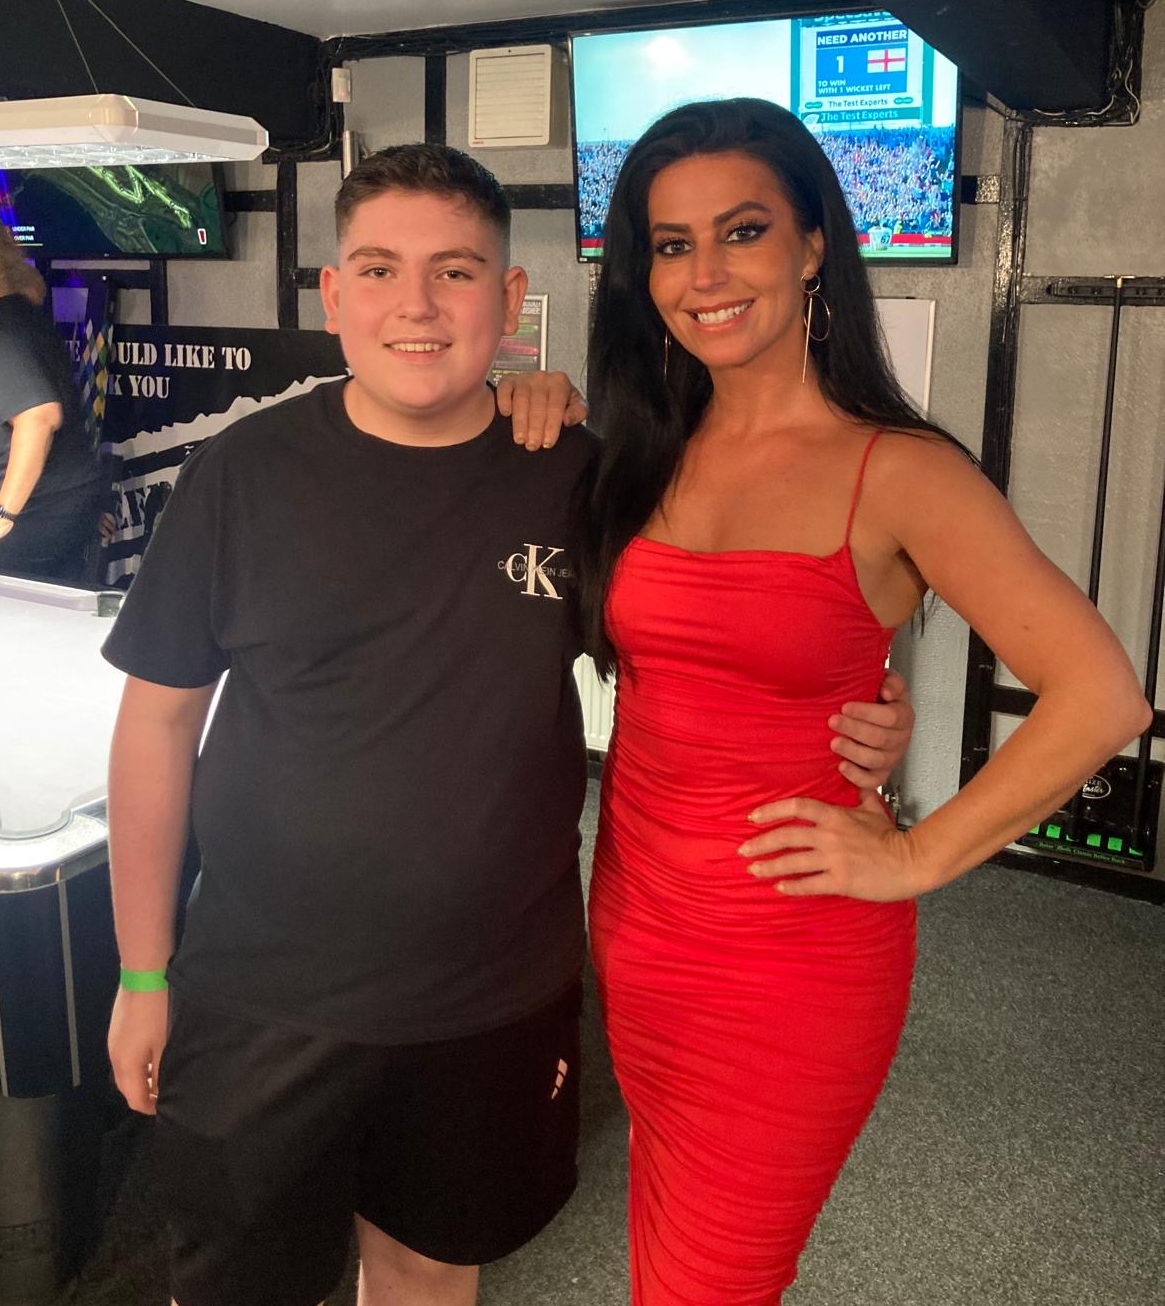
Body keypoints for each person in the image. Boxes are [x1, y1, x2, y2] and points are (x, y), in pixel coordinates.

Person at [102, 142, 913, 1306]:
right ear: (332, 294)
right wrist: (142, 970)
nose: (416, 305)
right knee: (239, 1287)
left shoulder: (583, 481)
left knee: (431, 1270)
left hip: (492, 1000)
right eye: (378, 269)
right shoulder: (241, 474)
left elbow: (718, 655)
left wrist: (865, 708)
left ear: (511, 296)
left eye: (456, 270)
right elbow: (156, 728)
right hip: (260, 991)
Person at [573, 97, 1152, 1306]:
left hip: (790, 954)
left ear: (812, 247)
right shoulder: (644, 444)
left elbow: (1101, 695)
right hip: (636, 914)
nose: (705, 273)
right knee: (665, 1247)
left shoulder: (900, 468)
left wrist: (916, 856)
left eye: (743, 231)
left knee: (712, 1283)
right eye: (672, 244)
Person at [0, 207, 102, 580]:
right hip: (52, 513)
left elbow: (39, 417)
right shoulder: (15, 312)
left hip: (8, 526)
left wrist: (1, 516)